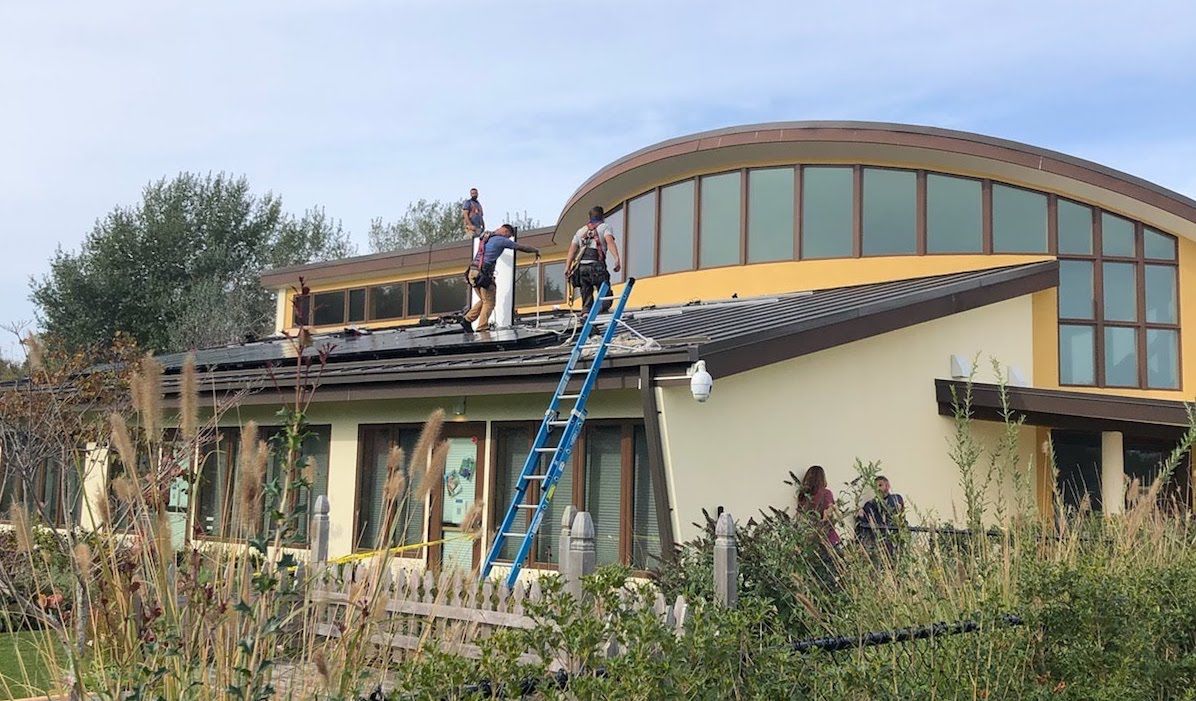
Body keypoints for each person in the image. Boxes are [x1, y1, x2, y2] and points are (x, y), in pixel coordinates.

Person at [462, 224, 539, 332]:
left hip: (473, 272)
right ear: (506, 232)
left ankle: (467, 320)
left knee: (484, 300)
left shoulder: (487, 237)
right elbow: (520, 247)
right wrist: (535, 250)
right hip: (483, 274)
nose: (508, 238)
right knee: (489, 303)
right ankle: (482, 327)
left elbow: (481, 234)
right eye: (508, 236)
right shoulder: (501, 240)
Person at [564, 206, 622, 313]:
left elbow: (572, 250)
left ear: (590, 217)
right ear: (602, 216)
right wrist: (617, 258)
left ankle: (586, 314)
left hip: (582, 268)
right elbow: (610, 242)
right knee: (605, 295)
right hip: (596, 266)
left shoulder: (581, 231)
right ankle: (600, 309)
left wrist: (567, 267)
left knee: (586, 298)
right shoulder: (605, 227)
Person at [859, 476, 905, 559]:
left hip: (894, 539)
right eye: (875, 486)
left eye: (880, 485)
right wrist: (861, 516)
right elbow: (867, 522)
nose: (878, 489)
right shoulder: (869, 505)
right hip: (878, 543)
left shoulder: (896, 498)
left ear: (887, 486)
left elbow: (893, 509)